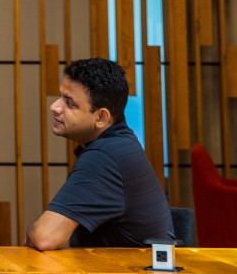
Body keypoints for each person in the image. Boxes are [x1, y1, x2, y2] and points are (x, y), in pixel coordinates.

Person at [26, 57, 173, 250]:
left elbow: (45, 238)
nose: (55, 107)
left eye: (69, 103)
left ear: (101, 117)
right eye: (60, 96)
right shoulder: (118, 143)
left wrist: (32, 231)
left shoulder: (105, 157)